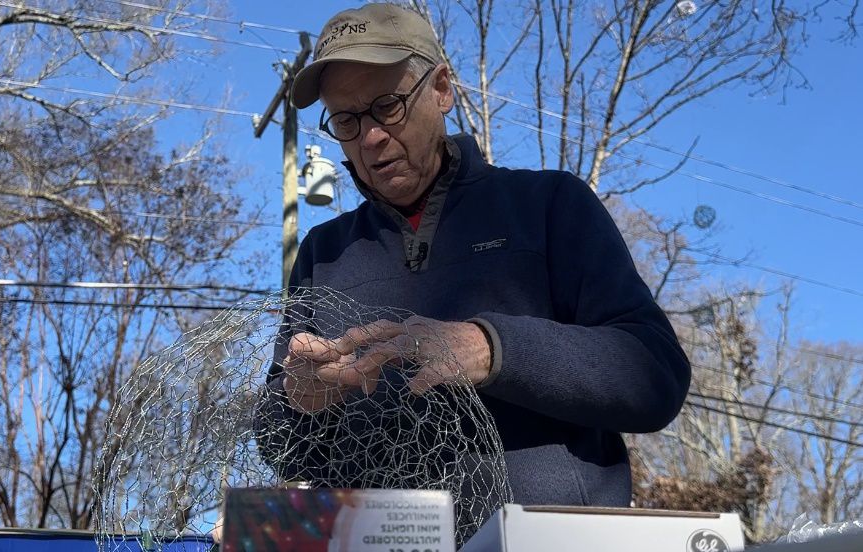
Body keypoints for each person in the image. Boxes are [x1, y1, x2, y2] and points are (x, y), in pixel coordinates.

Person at [258, 3, 691, 510]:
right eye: (347, 121)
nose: (371, 138)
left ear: (441, 89)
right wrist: (301, 400)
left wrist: (491, 349)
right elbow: (279, 443)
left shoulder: (549, 205)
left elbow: (654, 375)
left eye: (387, 106)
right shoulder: (323, 253)